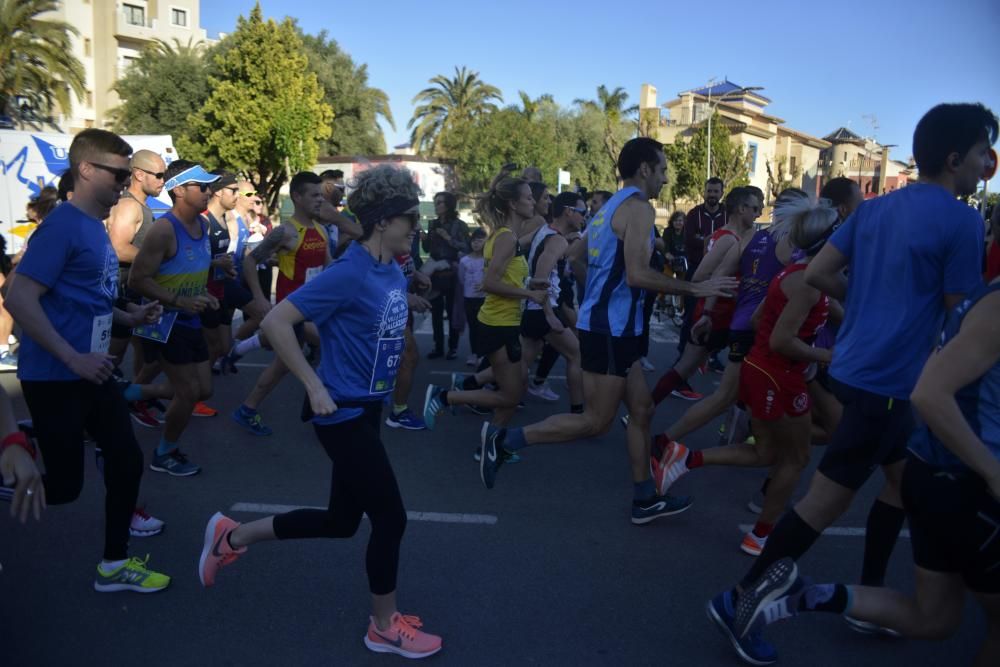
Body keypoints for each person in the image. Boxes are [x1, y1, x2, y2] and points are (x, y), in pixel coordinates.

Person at [708, 102, 997, 666]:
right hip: (892, 382)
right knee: (822, 504)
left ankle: (868, 599)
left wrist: (863, 300)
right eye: (986, 150)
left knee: (899, 486)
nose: (990, 162)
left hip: (858, 371)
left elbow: (817, 275)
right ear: (955, 157)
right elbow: (961, 315)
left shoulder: (875, 210)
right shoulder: (962, 221)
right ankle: (739, 597)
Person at [197, 164, 442, 659]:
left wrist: (409, 299)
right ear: (382, 222)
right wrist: (312, 385)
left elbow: (366, 316)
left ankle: (232, 535)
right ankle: (383, 626)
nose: (415, 228)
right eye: (409, 219)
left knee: (341, 520)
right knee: (390, 519)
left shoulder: (387, 266)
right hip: (341, 412)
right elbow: (279, 323)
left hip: (366, 406)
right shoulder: (350, 272)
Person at [453, 139, 737, 526]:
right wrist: (695, 289)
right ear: (644, 170)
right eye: (663, 169)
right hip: (611, 332)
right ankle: (502, 439)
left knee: (642, 410)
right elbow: (637, 274)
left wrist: (595, 299)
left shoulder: (609, 209)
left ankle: (643, 498)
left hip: (615, 327)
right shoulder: (637, 208)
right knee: (595, 421)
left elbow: (576, 256)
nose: (667, 178)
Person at [735, 274, 1000, 667]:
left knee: (936, 618)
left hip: (923, 454)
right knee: (804, 476)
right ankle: (749, 590)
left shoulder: (978, 293)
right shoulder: (987, 297)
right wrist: (993, 473)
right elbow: (929, 391)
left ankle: (798, 597)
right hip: (961, 474)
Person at [4, 128, 169, 591]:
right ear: (86, 170)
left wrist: (130, 315)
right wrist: (73, 358)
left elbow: (86, 300)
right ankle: (13, 455)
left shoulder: (94, 229)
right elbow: (17, 296)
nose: (124, 181)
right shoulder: (61, 225)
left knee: (126, 461)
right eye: (117, 173)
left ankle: (115, 566)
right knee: (63, 488)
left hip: (93, 371)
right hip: (56, 375)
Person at [656, 196, 838, 557]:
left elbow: (759, 321)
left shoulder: (796, 274)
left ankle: (685, 457)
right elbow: (780, 339)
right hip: (779, 376)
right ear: (828, 241)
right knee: (795, 458)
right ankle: (760, 534)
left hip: (763, 369)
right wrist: (824, 355)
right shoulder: (806, 283)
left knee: (768, 452)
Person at [421, 168, 546, 430]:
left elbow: (504, 276)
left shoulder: (504, 235)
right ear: (513, 203)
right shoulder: (506, 238)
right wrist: (529, 293)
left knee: (514, 389)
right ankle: (445, 397)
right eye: (528, 198)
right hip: (497, 325)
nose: (533, 201)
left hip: (504, 322)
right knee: (510, 395)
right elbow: (490, 283)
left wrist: (529, 283)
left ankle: (492, 442)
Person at [129, 160, 220, 477]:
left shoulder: (203, 226)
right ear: (179, 190)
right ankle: (164, 453)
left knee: (203, 389)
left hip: (189, 321)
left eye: (210, 186)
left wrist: (203, 293)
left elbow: (188, 270)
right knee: (187, 392)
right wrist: (179, 300)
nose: (210, 191)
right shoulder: (163, 230)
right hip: (164, 322)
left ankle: (128, 394)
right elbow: (137, 280)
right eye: (203, 186)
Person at [228, 171, 330, 436]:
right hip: (292, 311)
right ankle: (250, 408)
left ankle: (248, 403)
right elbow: (250, 260)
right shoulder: (285, 232)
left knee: (293, 362)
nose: (320, 200)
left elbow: (328, 268)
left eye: (322, 195)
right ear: (297, 197)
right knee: (298, 360)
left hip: (315, 310)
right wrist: (260, 298)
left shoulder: (320, 229)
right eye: (314, 195)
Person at [648, 187, 761, 408]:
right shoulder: (728, 240)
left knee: (691, 368)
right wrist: (730, 290)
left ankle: (644, 409)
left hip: (721, 314)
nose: (759, 213)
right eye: (756, 208)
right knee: (686, 368)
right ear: (741, 209)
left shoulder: (722, 235)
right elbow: (700, 275)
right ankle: (644, 410)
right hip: (715, 315)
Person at [518, 191, 586, 412]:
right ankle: (577, 411)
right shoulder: (556, 240)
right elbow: (540, 279)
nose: (584, 218)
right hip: (541, 308)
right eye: (581, 212)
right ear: (568, 211)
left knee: (523, 359)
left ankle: (471, 386)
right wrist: (549, 315)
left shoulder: (548, 232)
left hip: (534, 307)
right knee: (575, 353)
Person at [678, 177, 727, 355]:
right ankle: (683, 351)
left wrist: (706, 239)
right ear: (704, 192)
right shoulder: (693, 214)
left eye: (716, 191)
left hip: (721, 271)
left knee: (715, 314)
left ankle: (710, 355)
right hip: (697, 268)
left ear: (722, 193)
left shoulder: (728, 214)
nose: (712, 195)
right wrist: (713, 240)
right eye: (709, 191)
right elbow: (689, 239)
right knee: (691, 312)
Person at [422, 192, 470, 360]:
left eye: (440, 202)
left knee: (452, 309)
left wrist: (448, 238)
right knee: (435, 311)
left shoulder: (459, 225)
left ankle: (453, 347)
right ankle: (438, 346)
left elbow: (466, 248)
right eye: (436, 202)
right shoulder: (433, 223)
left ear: (449, 205)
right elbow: (427, 249)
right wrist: (424, 237)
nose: (437, 205)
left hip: (451, 270)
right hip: (435, 271)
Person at [458, 228, 487, 367]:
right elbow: (461, 278)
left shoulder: (488, 260)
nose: (476, 244)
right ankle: (474, 353)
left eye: (480, 241)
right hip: (469, 297)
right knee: (473, 327)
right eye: (474, 241)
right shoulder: (464, 260)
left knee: (483, 327)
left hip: (484, 298)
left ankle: (482, 354)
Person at [660, 210, 687, 325]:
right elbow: (664, 246)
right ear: (672, 222)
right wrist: (667, 254)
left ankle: (681, 307)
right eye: (676, 220)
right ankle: (661, 300)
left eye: (681, 220)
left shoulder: (687, 233)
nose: (678, 223)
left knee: (683, 284)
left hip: (682, 261)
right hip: (669, 260)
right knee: (666, 279)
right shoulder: (667, 232)